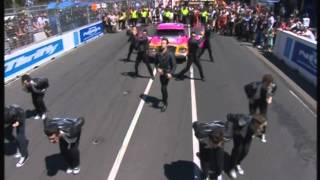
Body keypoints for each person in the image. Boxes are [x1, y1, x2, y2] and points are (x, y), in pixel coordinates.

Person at [225, 113, 267, 179]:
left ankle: (237, 163)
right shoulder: (243, 120)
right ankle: (231, 168)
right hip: (239, 135)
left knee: (245, 151)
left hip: (247, 136)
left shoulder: (257, 126)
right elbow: (231, 117)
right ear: (256, 122)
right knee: (238, 150)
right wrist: (230, 129)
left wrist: (259, 135)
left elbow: (257, 132)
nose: (261, 127)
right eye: (260, 125)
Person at [244, 74, 277, 143]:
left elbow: (274, 89)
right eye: (267, 85)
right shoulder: (254, 85)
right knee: (252, 117)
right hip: (254, 100)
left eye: (269, 85)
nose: (268, 86)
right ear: (263, 82)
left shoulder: (272, 86)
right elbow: (246, 87)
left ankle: (262, 134)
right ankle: (252, 131)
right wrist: (249, 97)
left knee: (264, 119)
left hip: (263, 101)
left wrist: (270, 97)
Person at [155, 38, 176, 112]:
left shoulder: (170, 54)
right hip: (161, 73)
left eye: (164, 43)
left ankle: (165, 103)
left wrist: (171, 73)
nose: (162, 44)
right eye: (162, 43)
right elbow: (155, 63)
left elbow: (174, 65)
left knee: (163, 88)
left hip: (167, 73)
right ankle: (164, 99)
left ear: (167, 44)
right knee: (163, 88)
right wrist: (157, 68)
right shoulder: (158, 53)